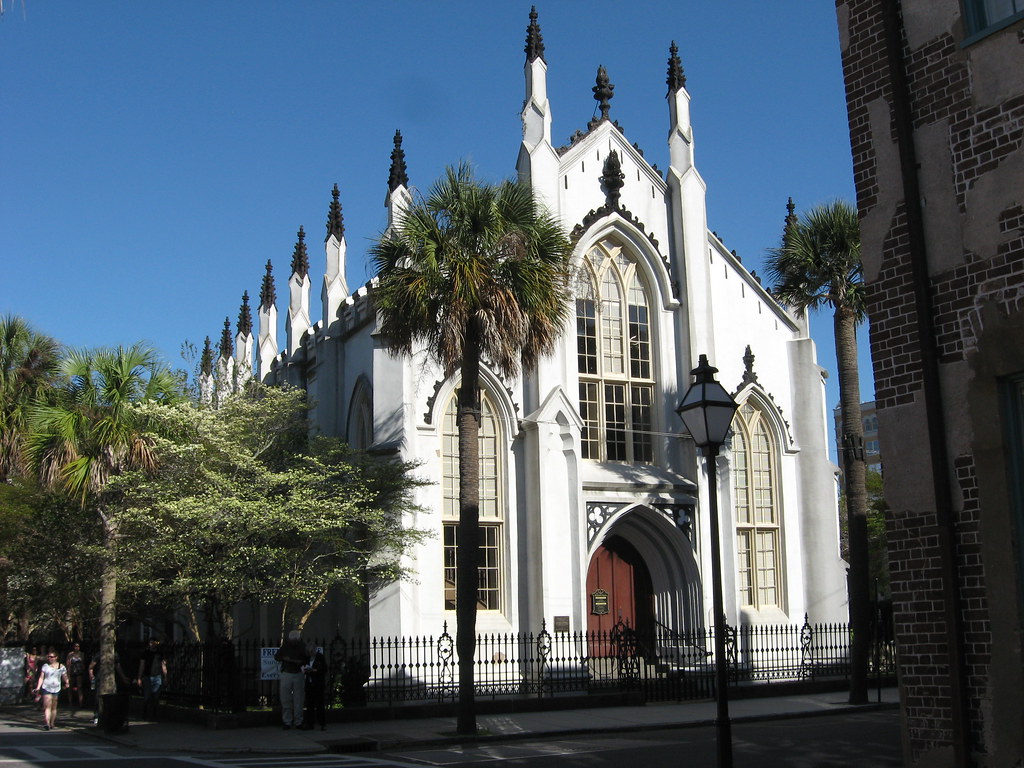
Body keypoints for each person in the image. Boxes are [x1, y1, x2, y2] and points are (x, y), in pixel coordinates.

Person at [274, 630, 306, 730]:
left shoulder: (302, 646)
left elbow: (306, 659)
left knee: (298, 699)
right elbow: (277, 657)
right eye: (292, 640)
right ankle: (287, 721)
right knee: (286, 698)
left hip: (297, 673)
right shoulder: (286, 646)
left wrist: (296, 661)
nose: (293, 642)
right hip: (287, 672)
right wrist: (285, 658)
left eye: (295, 640)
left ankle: (298, 721)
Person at [34, 650, 69, 730]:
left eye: (52, 657)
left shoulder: (61, 666)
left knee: (54, 706)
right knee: (47, 706)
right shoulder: (45, 666)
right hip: (46, 687)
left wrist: (67, 682)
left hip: (56, 688)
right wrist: (38, 687)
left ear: (56, 657)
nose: (50, 658)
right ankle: (47, 723)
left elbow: (65, 676)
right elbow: (41, 677)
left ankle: (52, 723)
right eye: (49, 657)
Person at [135, 639, 168, 720]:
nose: (153, 644)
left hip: (157, 676)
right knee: (146, 697)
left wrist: (165, 676)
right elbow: (142, 665)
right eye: (151, 643)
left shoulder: (160, 653)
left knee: (156, 697)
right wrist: (139, 677)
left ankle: (154, 715)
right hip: (148, 676)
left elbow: (163, 666)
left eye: (155, 643)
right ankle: (144, 714)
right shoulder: (145, 653)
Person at [301, 641, 326, 731]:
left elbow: (323, 669)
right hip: (309, 682)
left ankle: (322, 723)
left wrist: (314, 670)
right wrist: (305, 670)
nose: (310, 654)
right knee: (310, 704)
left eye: (312, 651)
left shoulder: (320, 657)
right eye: (309, 652)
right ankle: (310, 723)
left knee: (319, 704)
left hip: (318, 683)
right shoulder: (307, 658)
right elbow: (303, 665)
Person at [65, 643, 86, 710]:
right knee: (70, 688)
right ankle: (70, 702)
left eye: (78, 646)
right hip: (72, 672)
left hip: (79, 672)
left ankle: (81, 703)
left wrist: (84, 671)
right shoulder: (70, 654)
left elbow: (83, 663)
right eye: (75, 646)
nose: (76, 647)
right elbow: (68, 665)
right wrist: (68, 675)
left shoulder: (82, 654)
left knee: (79, 687)